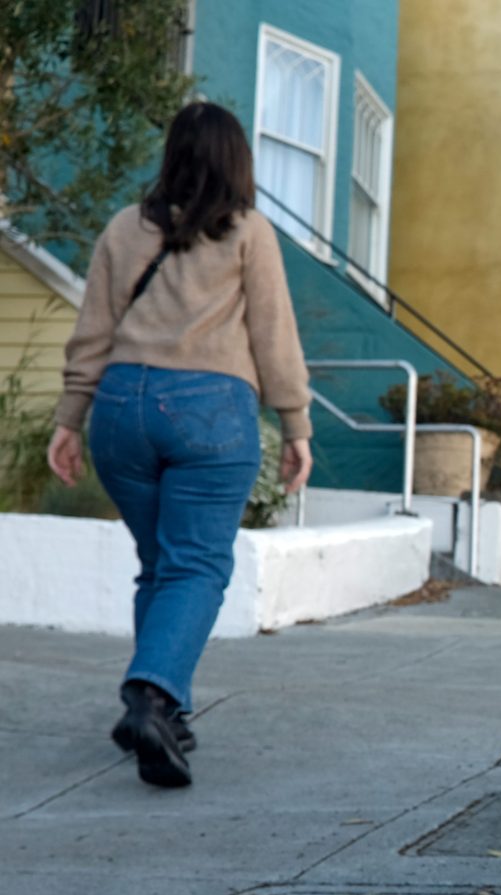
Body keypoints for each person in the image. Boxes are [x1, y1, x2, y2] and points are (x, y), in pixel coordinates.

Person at [46, 103, 313, 789]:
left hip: (120, 408)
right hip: (208, 409)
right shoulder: (249, 231)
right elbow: (273, 334)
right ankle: (152, 698)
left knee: (161, 564)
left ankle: (168, 707)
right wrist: (296, 424)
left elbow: (93, 333)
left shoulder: (122, 228)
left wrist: (70, 419)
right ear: (237, 161)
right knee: (196, 565)